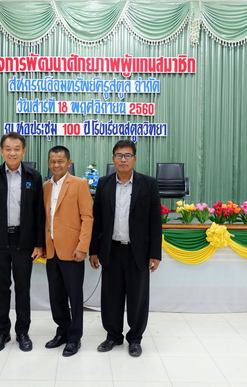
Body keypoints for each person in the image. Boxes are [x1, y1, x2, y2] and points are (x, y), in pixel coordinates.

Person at [89, 140, 162, 357]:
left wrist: (155, 253)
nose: (123, 159)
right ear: (113, 159)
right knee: (111, 296)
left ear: (134, 159)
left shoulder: (148, 184)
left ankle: (135, 339)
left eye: (127, 155)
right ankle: (113, 336)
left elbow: (155, 221)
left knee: (137, 298)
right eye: (119, 155)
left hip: (137, 251)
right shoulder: (104, 183)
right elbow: (97, 219)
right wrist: (94, 250)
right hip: (111, 249)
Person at [0, 132, 45, 352]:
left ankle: (22, 332)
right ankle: (3, 332)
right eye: (8, 149)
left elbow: (39, 213)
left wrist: (39, 243)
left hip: (24, 242)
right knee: (1, 289)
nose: (12, 153)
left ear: (23, 151)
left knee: (23, 288)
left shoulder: (34, 176)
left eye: (17, 149)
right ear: (1, 151)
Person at [43, 146, 93, 357]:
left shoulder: (79, 184)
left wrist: (82, 247)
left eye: (60, 161)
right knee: (56, 296)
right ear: (48, 163)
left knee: (74, 296)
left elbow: (87, 218)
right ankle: (62, 331)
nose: (56, 165)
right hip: (51, 250)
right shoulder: (45, 187)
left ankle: (74, 337)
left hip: (73, 251)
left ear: (69, 162)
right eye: (53, 161)